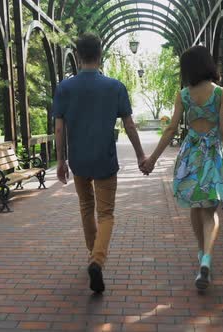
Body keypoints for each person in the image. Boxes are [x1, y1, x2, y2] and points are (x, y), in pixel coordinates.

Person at [141, 45, 223, 290]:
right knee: (210, 212)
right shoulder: (222, 93)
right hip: (214, 157)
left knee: (196, 207)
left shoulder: (184, 95)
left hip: (191, 156)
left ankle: (201, 255)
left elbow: (171, 128)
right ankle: (206, 256)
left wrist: (152, 159)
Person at [52, 32, 147, 294]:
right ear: (100, 54)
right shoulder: (115, 86)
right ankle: (97, 259)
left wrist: (61, 161)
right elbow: (129, 124)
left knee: (86, 207)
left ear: (79, 56)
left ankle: (93, 256)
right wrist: (140, 155)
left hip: (79, 159)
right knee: (106, 214)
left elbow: (59, 129)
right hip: (105, 159)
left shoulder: (64, 88)